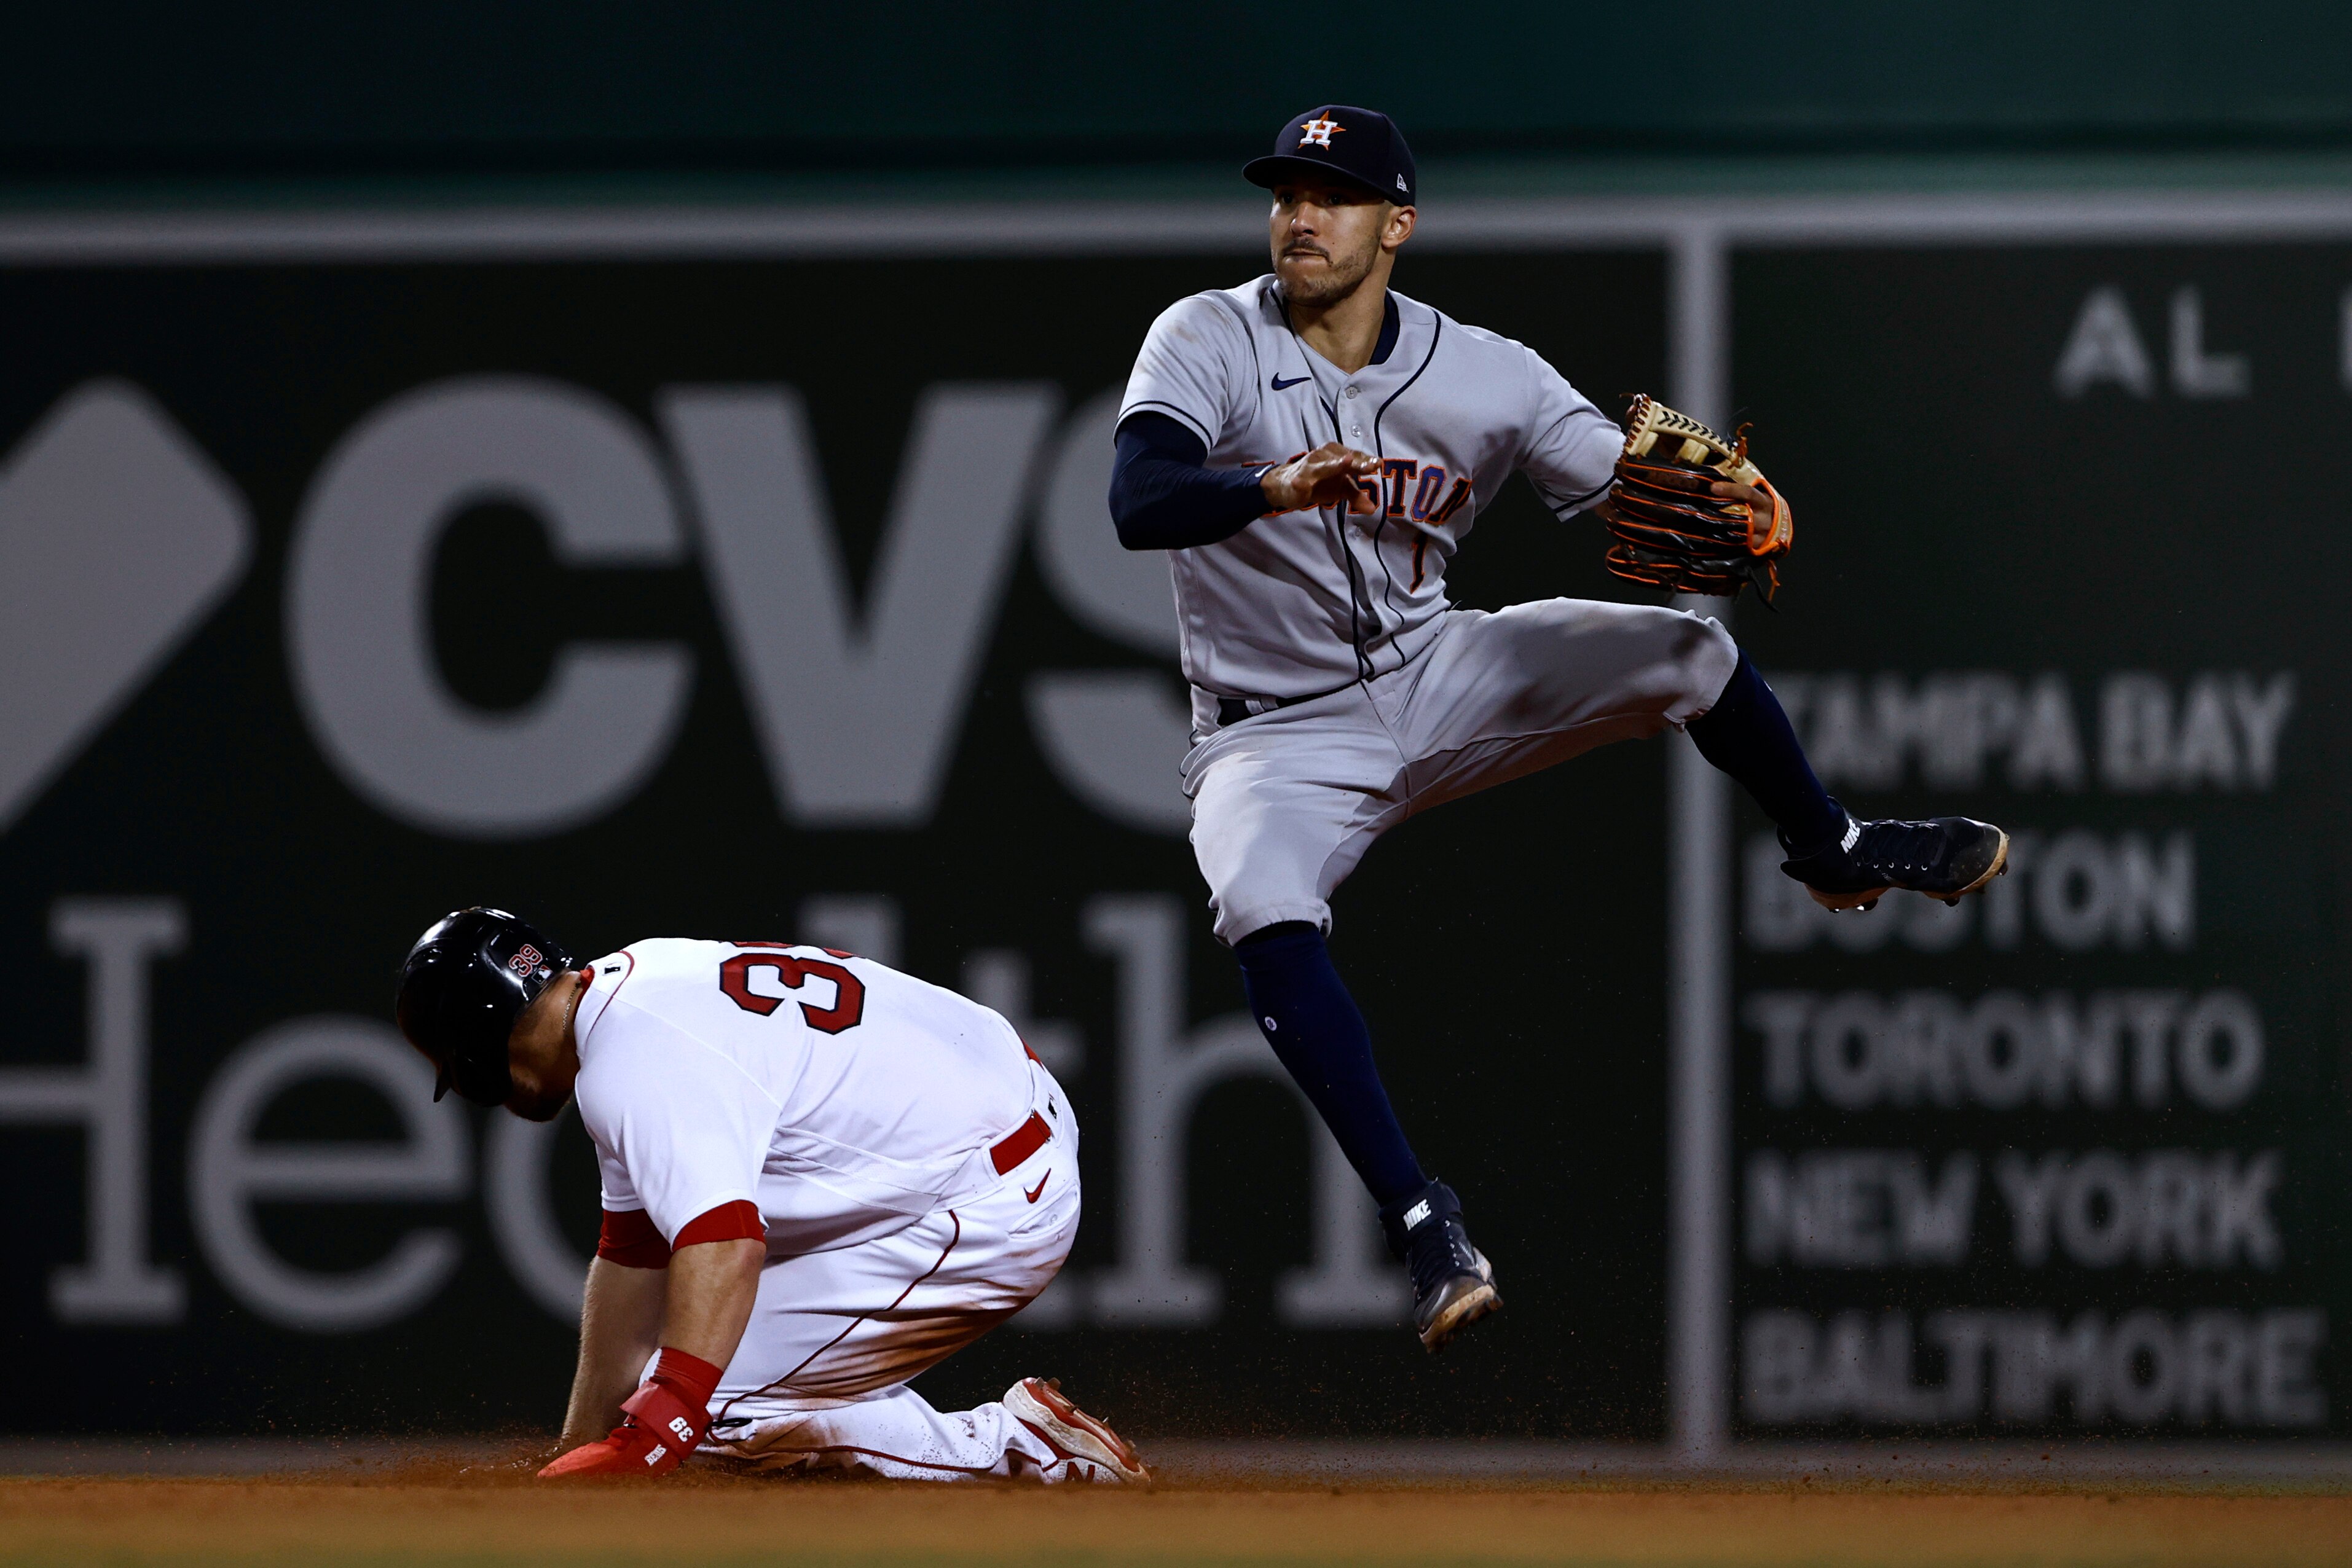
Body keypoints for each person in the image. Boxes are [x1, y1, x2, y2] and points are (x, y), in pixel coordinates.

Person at [1109, 104, 2008, 1353]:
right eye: (1284, 193)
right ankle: (1425, 1223)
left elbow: (1619, 483)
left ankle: (1832, 846)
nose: (1298, 217)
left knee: (1686, 650)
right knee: (1261, 903)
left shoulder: (1486, 372)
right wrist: (1266, 482)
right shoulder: (1204, 336)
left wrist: (1714, 495)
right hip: (1270, 737)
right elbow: (1137, 497)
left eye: (1333, 196)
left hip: (1434, 672)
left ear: (1396, 225)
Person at [393, 907, 1149, 1483]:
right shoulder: (631, 989)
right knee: (692, 1363)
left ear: (480, 1041)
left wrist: (664, 1422)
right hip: (992, 1130)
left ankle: (1026, 1452)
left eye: (457, 1066)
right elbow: (634, 1259)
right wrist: (584, 1444)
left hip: (994, 1199)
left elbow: (725, 1241)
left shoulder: (628, 1063)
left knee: (717, 1409)